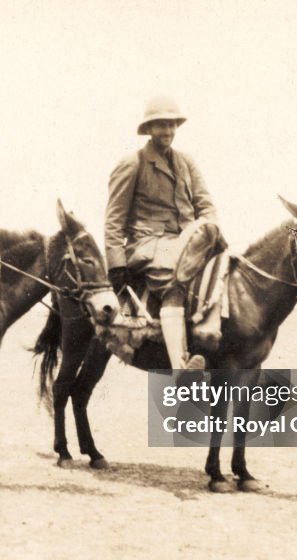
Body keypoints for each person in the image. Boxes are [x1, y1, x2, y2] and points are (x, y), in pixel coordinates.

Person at [104, 95, 226, 369]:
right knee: (174, 279)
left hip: (187, 241)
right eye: (160, 126)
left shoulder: (186, 162)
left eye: (171, 125)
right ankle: (181, 368)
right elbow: (114, 219)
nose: (167, 131)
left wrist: (210, 230)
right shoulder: (132, 163)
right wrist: (116, 265)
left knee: (223, 267)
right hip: (149, 244)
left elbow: (205, 205)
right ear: (148, 129)